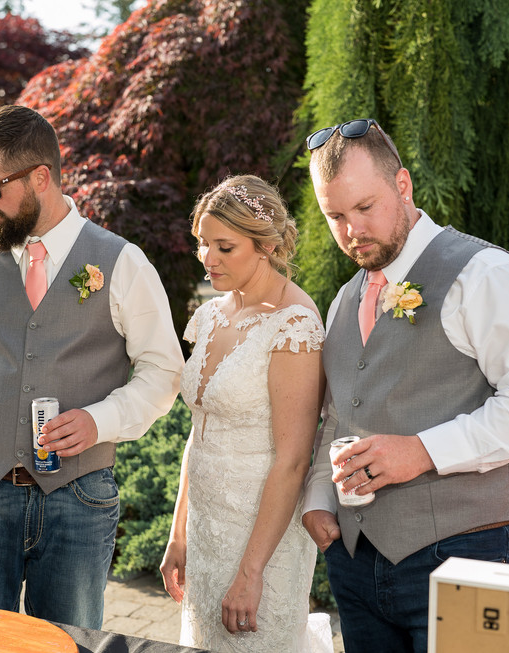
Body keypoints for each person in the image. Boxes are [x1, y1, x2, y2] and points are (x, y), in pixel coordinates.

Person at [0, 104, 183, 629]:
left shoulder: (122, 262)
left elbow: (164, 372)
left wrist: (103, 420)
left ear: (41, 178)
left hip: (79, 500)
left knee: (68, 646)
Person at [300, 119, 509, 653]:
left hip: (465, 556)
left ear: (402, 186)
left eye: (364, 207)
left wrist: (424, 451)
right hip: (355, 566)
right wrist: (317, 497)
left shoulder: (485, 272)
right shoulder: (343, 300)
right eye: (334, 215)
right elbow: (339, 411)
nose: (352, 229)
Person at [159, 175, 325, 652]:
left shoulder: (293, 322)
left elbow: (293, 459)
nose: (208, 259)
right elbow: (200, 432)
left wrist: (251, 574)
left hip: (262, 539)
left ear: (267, 246)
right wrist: (179, 535)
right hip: (206, 530)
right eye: (203, 245)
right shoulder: (212, 314)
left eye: (224, 247)